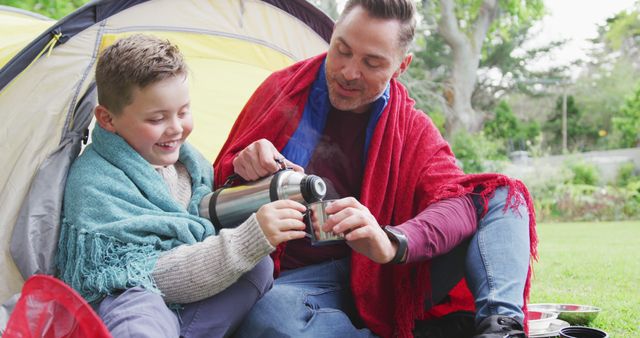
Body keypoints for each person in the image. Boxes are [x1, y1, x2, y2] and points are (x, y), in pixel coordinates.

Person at [213, 1, 537, 338]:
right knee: (269, 318)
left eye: (372, 63)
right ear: (334, 35)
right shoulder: (281, 91)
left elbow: (459, 201)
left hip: (387, 276)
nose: (349, 72)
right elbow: (215, 193)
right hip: (301, 279)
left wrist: (391, 241)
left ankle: (500, 329)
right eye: (342, 51)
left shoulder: (410, 126)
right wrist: (242, 165)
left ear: (401, 66)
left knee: (500, 194)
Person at [55, 34, 309, 338]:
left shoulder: (191, 165)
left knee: (257, 268)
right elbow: (152, 277)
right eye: (157, 118)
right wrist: (248, 239)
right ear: (108, 119)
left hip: (184, 304)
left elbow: (204, 223)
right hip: (133, 295)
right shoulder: (95, 183)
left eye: (183, 112)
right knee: (140, 311)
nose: (176, 128)